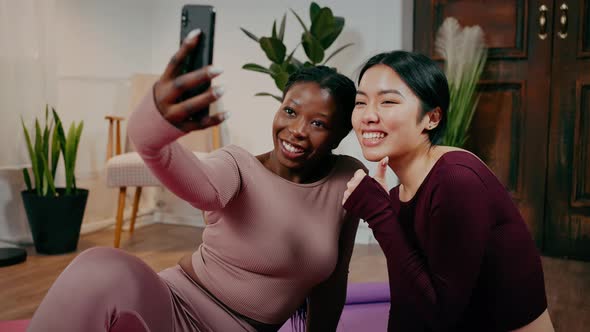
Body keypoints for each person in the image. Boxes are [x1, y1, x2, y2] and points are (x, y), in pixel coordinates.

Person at [28, 29, 365, 332]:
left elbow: (334, 282)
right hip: (170, 311)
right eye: (290, 111)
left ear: (339, 135)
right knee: (100, 268)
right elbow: (195, 182)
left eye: (318, 124)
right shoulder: (238, 166)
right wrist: (151, 125)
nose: (297, 131)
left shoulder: (346, 178)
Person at [341, 50, 554, 332]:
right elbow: (408, 298)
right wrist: (386, 208)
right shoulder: (401, 192)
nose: (368, 116)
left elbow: (438, 316)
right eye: (360, 102)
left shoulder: (456, 181)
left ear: (431, 118)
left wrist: (378, 213)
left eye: (388, 101)